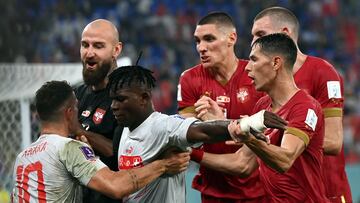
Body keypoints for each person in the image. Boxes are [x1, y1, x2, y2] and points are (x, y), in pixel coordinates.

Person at [108, 65, 286, 203]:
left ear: (144, 98)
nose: (114, 106)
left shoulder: (163, 126)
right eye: (112, 99)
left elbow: (204, 130)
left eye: (121, 99)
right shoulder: (124, 128)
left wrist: (249, 123)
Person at [197, 33, 328, 202]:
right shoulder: (262, 106)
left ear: (275, 63)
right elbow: (242, 162)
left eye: (254, 59)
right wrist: (191, 153)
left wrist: (250, 139)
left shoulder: (305, 106)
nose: (247, 67)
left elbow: (285, 160)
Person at [12, 80, 190, 203]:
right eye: (76, 107)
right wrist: (164, 165)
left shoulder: (22, 157)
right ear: (69, 112)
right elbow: (115, 186)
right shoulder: (68, 148)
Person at [250, 7, 351, 203]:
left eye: (260, 34)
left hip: (327, 191)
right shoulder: (264, 83)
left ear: (284, 34)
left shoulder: (324, 73)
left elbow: (334, 140)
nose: (254, 41)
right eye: (253, 35)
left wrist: (288, 138)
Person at [177, 12, 265, 202]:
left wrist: (217, 124)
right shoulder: (189, 79)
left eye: (209, 39)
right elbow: (186, 136)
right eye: (197, 41)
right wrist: (198, 124)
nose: (201, 47)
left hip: (260, 191)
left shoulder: (256, 75)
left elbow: (266, 139)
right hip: (213, 192)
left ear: (231, 38)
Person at [75, 19, 123, 202]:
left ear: (116, 50)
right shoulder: (77, 95)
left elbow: (120, 152)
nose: (89, 53)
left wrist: (77, 130)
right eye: (85, 45)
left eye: (98, 46)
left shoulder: (127, 96)